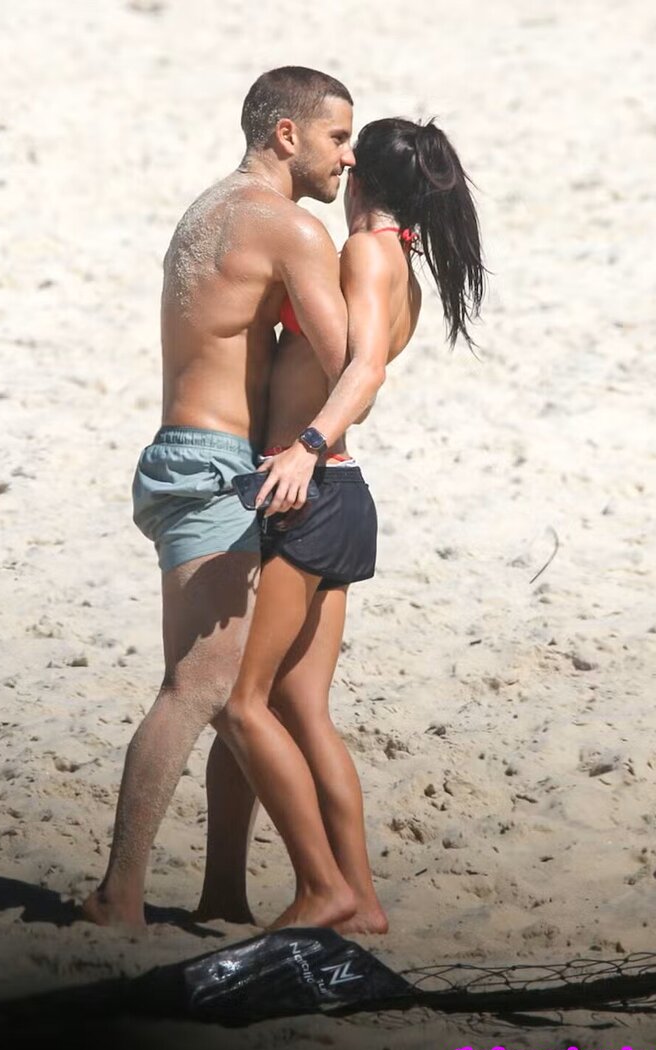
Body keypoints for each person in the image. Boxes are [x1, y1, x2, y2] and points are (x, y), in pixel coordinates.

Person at [81, 67, 398, 931]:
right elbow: (348, 366)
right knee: (200, 688)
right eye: (338, 137)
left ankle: (223, 891)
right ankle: (119, 893)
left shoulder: (209, 209)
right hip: (218, 468)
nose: (349, 156)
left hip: (180, 452)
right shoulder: (291, 229)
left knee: (229, 688)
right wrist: (385, 267)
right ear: (288, 136)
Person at [198, 117, 486, 931]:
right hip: (344, 494)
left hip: (313, 486)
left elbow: (363, 370)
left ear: (362, 177)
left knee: (240, 702)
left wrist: (306, 447)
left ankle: (330, 890)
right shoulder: (404, 265)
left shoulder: (364, 252)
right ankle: (346, 899)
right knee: (299, 707)